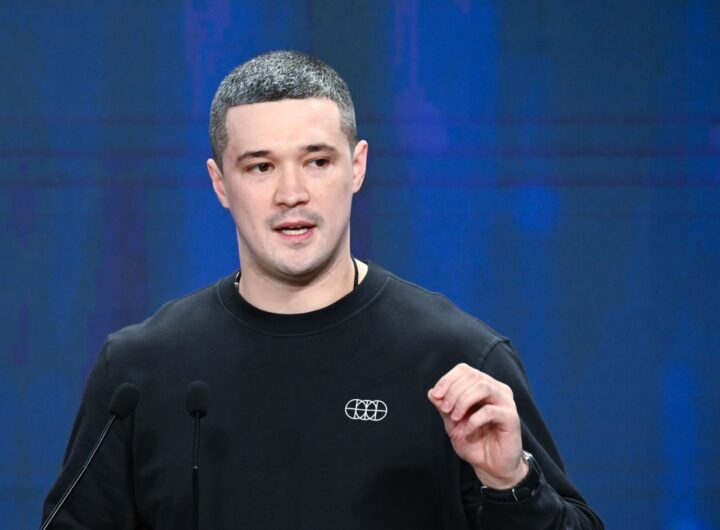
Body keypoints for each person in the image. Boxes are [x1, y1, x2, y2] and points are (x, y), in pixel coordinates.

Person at [43, 50, 604, 529]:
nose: (292, 192)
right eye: (260, 167)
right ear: (220, 184)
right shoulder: (137, 372)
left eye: (317, 161)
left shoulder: (459, 360)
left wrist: (511, 483)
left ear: (357, 167)